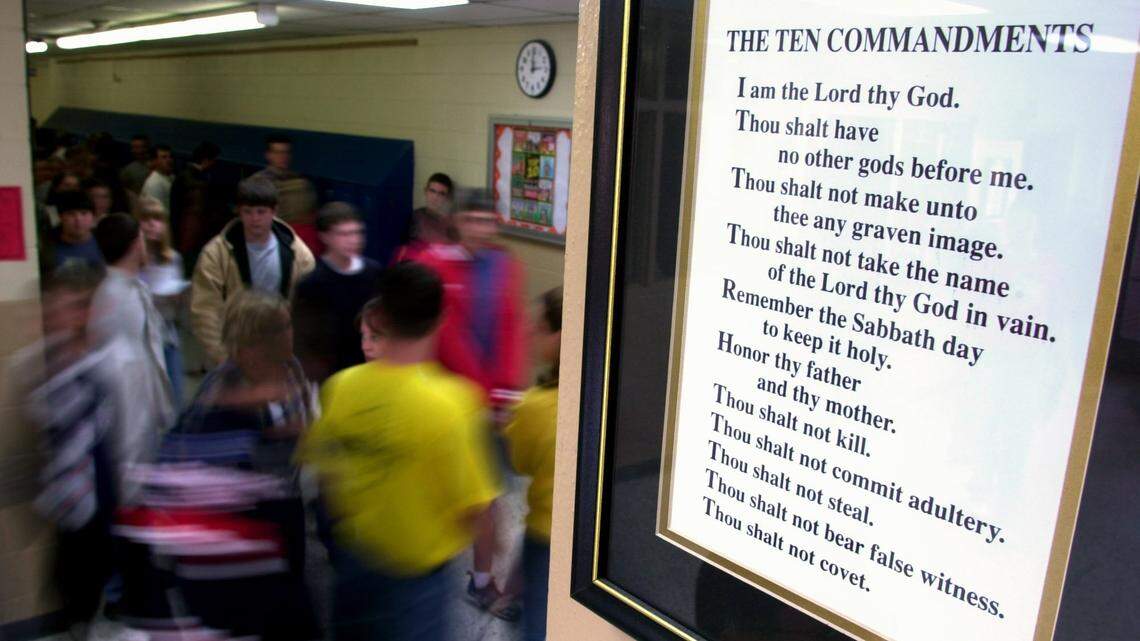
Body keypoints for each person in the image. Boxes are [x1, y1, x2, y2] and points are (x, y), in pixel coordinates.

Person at [300, 262, 502, 641]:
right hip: (416, 582)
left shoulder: (340, 388)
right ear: (441, 319)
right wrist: (484, 567)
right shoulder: (452, 404)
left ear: (381, 316)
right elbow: (479, 512)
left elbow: (327, 477)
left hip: (354, 566)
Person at [160, 290, 319, 641]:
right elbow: (199, 459)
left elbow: (302, 421)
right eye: (281, 327)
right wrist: (277, 435)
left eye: (288, 324)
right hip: (243, 519)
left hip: (285, 504)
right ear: (255, 340)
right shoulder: (220, 389)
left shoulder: (291, 369)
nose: (291, 333)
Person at [18, 263, 123, 639]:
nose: (69, 314)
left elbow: (118, 427)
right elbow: (41, 430)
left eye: (79, 305)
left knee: (97, 578)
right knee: (71, 584)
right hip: (68, 497)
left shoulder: (107, 358)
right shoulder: (37, 365)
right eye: (61, 306)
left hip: (104, 485)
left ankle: (90, 621)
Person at [191, 177, 315, 366]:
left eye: (261, 212)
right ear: (238, 212)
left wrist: (296, 350)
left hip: (279, 347)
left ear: (274, 212)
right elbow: (205, 310)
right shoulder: (216, 254)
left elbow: (308, 308)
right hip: (236, 347)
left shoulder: (298, 254)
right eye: (248, 212)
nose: (255, 219)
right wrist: (223, 357)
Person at [89, 213, 176, 459]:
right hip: (129, 418)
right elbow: (121, 369)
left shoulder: (134, 288)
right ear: (137, 244)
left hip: (145, 408)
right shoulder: (113, 297)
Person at [501, 287, 562, 639]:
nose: (530, 333)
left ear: (560, 336)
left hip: (547, 533)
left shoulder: (536, 406)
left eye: (540, 327)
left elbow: (519, 463)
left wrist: (512, 421)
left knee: (539, 625)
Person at [292, 202, 382, 382]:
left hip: (368, 370)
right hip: (330, 376)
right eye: (343, 234)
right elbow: (305, 341)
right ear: (325, 237)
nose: (353, 239)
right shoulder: (313, 284)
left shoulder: (374, 273)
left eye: (357, 232)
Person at [137, 197, 188, 407]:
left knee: (175, 395)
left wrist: (179, 298)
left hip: (168, 334)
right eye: (146, 219)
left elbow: (179, 306)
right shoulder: (134, 259)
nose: (152, 225)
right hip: (142, 337)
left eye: (157, 219)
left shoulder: (172, 258)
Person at [251, 134, 319, 252]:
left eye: (286, 152)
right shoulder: (257, 183)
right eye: (277, 152)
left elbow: (311, 214)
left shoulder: (302, 183)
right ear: (268, 155)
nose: (282, 157)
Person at [170, 141, 222, 266]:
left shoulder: (182, 176)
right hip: (192, 236)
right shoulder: (199, 184)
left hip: (180, 233)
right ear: (206, 161)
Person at [43, 190, 103, 271]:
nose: (78, 219)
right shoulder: (48, 250)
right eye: (71, 214)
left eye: (84, 213)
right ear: (60, 217)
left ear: (93, 217)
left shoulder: (105, 244)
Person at [403, 172, 456, 248]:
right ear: (426, 191)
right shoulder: (416, 217)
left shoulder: (451, 224)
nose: (435, 197)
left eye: (441, 194)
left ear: (447, 197)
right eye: (432, 191)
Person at [140, 143, 175, 213]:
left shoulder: (171, 177)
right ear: (154, 161)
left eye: (170, 157)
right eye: (164, 157)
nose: (169, 160)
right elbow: (155, 212)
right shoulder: (154, 183)